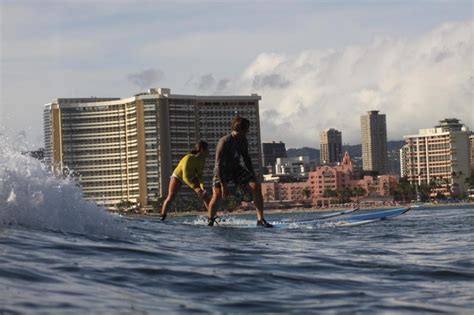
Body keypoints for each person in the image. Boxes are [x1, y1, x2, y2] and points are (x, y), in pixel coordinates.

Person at [207, 115, 273, 228]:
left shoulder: (243, 140)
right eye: (246, 129)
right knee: (217, 195)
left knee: (256, 186)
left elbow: (246, 158)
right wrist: (224, 185)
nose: (248, 131)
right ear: (241, 129)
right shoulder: (224, 141)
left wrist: (253, 174)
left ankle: (260, 220)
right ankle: (210, 220)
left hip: (235, 169)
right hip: (221, 171)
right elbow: (218, 165)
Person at [160, 140, 210, 221]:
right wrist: (197, 189)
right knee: (171, 196)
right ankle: (162, 216)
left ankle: (211, 217)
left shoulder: (202, 160)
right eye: (207, 150)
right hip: (178, 176)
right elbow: (185, 177)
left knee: (205, 195)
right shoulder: (188, 158)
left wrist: (202, 187)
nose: (209, 152)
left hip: (192, 176)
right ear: (201, 150)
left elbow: (199, 176)